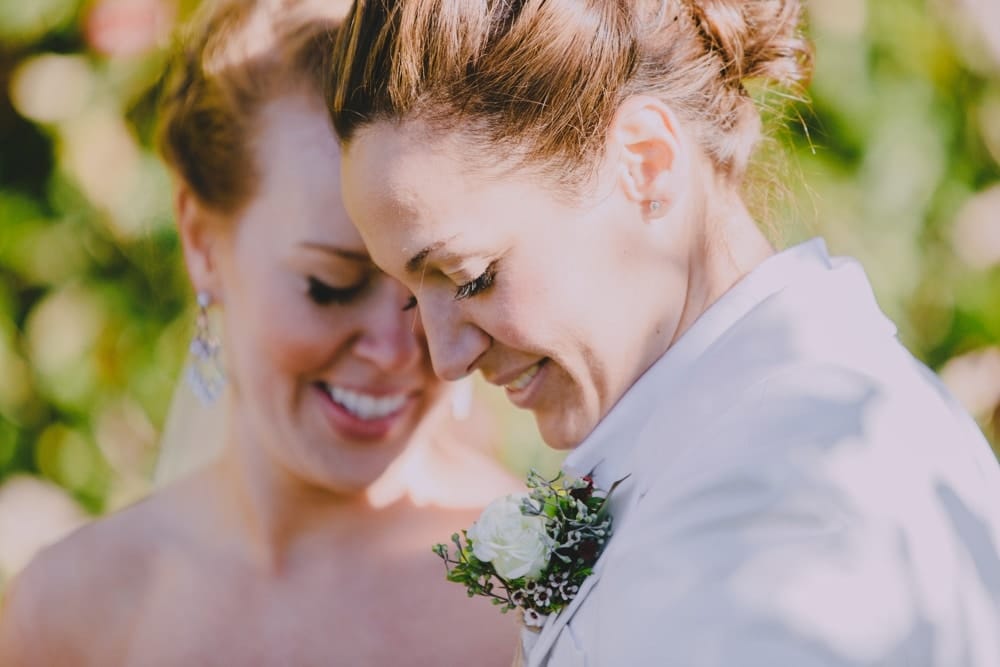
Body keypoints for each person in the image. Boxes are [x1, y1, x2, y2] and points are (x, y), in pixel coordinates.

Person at [327, 0, 1000, 664]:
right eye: (416, 299)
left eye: (471, 276)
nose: (445, 359)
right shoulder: (741, 439)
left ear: (645, 163)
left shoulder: (787, 507)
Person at [0, 1, 519, 664]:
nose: (395, 351)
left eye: (436, 283)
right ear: (200, 240)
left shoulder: (539, 587)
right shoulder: (72, 609)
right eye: (330, 286)